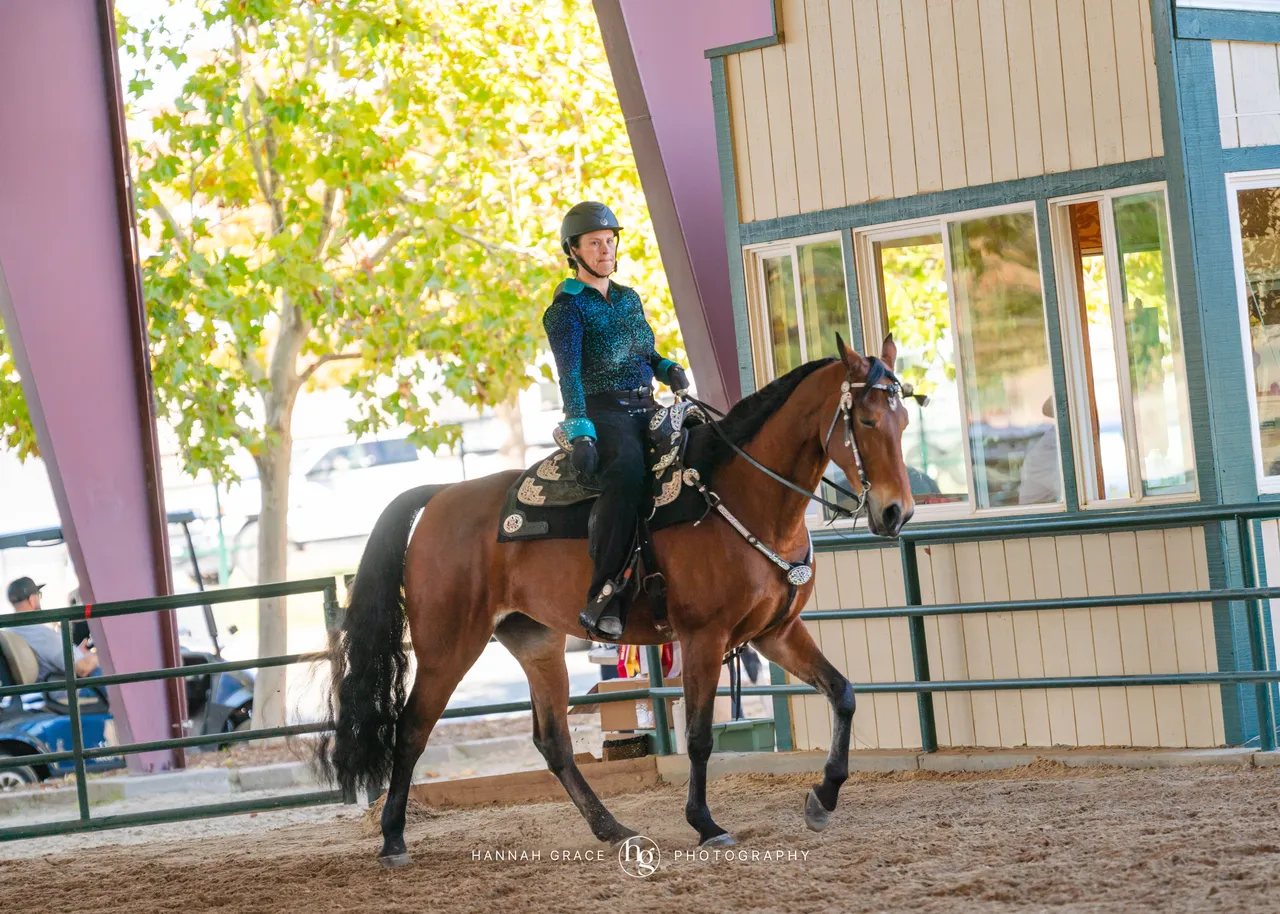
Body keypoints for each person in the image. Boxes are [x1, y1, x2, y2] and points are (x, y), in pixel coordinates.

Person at [543, 202, 689, 640]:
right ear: (574, 251)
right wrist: (581, 430)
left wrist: (666, 368)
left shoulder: (628, 297)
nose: (606, 249)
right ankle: (605, 592)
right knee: (625, 474)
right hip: (603, 412)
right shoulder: (565, 309)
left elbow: (645, 351)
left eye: (610, 240)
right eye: (595, 243)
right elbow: (569, 377)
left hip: (646, 403)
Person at [6, 577, 98, 682]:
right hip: (71, 688)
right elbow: (83, 668)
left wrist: (78, 653)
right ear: (32, 599)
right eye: (39, 596)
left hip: (52, 685)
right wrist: (99, 656)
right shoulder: (40, 634)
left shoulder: (13, 629)